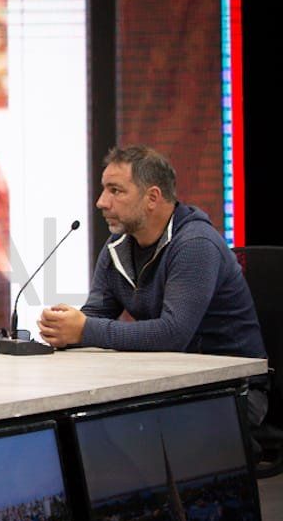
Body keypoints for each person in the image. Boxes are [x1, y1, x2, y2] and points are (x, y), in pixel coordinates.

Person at [37, 145, 267, 419]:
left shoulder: (195, 244)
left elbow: (173, 334)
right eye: (104, 189)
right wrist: (63, 328)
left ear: (152, 197)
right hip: (173, 385)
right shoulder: (118, 246)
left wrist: (84, 329)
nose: (101, 202)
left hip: (233, 394)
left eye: (115, 190)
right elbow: (97, 315)